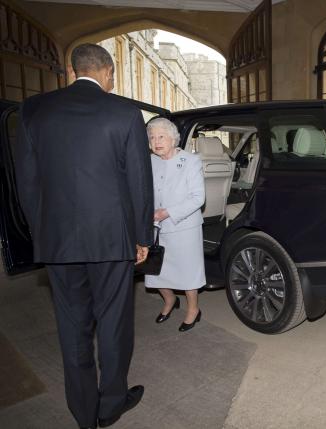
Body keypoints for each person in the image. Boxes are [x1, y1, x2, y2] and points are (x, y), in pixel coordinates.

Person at [13, 44, 153, 428]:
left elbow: (26, 182)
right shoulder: (125, 112)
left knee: (72, 326)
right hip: (112, 240)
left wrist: (40, 231)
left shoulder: (34, 111)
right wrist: (142, 236)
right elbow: (140, 181)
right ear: (106, 71)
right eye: (113, 75)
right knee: (113, 322)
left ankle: (82, 411)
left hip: (57, 241)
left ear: (73, 71)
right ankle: (111, 404)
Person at [145, 117, 206, 331]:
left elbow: (198, 198)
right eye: (152, 137)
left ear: (174, 139)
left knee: (187, 271)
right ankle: (170, 301)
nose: (156, 141)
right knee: (155, 270)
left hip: (184, 227)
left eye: (161, 136)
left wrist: (168, 212)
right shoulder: (150, 161)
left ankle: (193, 309)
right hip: (156, 226)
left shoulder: (191, 161)